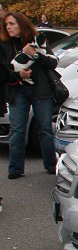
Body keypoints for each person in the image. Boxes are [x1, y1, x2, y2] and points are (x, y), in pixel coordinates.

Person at [0, 12, 59, 179]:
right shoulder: (4, 45)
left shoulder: (37, 40)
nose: (8, 27)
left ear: (22, 24)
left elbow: (53, 63)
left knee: (45, 128)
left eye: (12, 24)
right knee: (17, 129)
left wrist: (34, 54)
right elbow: (4, 71)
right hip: (17, 90)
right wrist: (18, 75)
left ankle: (51, 165)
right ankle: (15, 169)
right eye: (7, 25)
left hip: (41, 90)